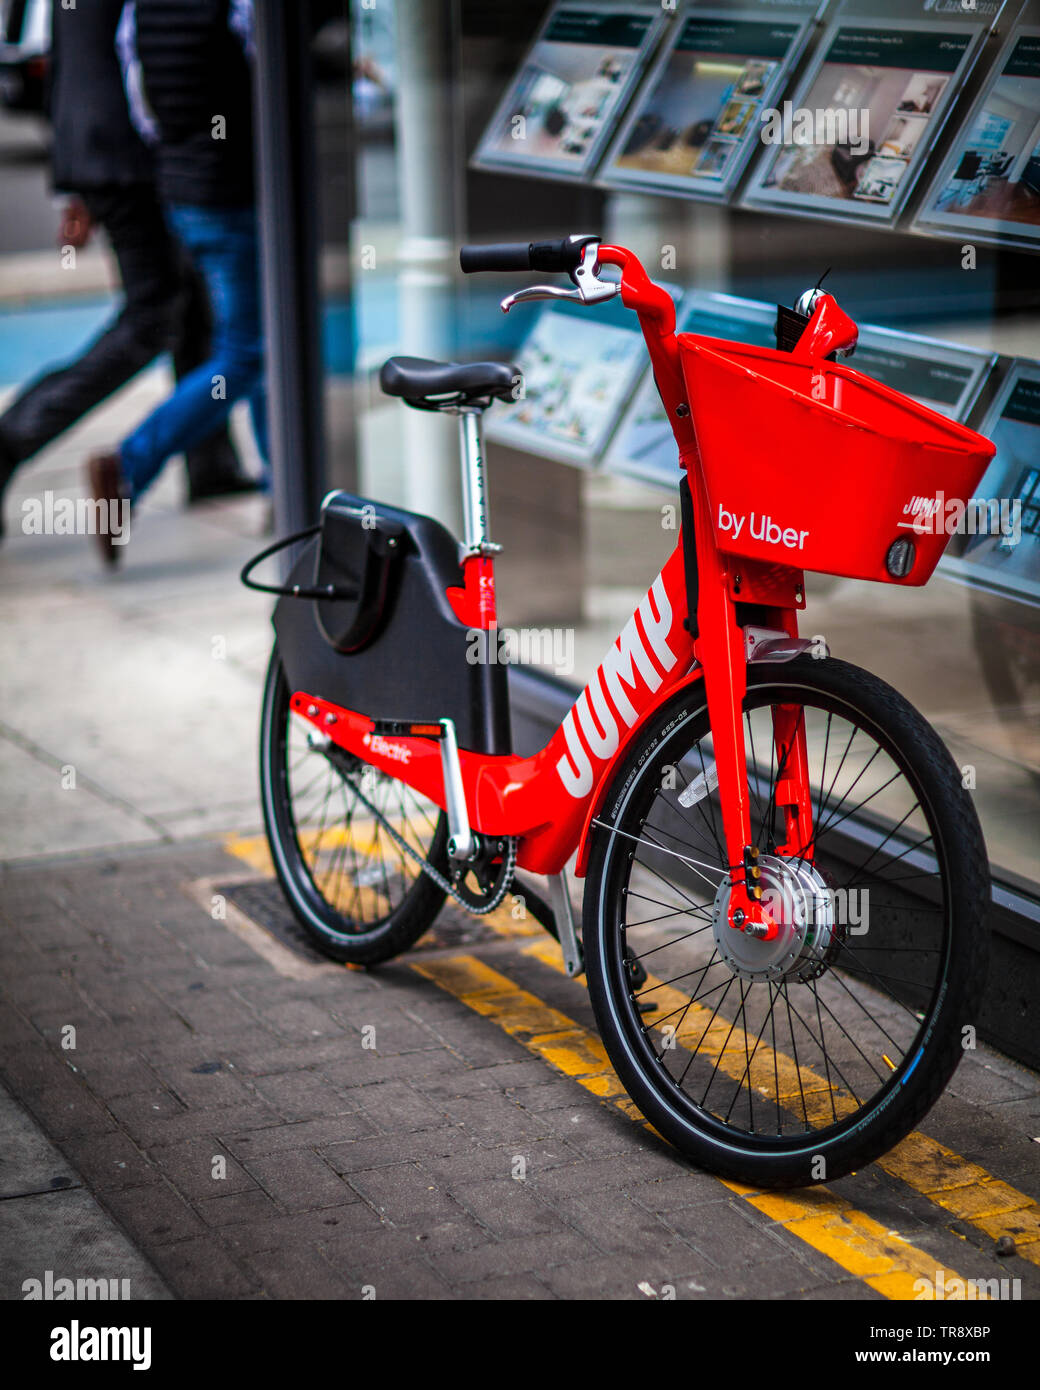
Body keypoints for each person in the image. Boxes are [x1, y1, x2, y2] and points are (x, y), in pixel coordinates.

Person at [0, 0, 257, 541]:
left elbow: (71, 51)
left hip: (104, 145)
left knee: (190, 305)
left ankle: (209, 461)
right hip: (130, 154)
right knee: (154, 316)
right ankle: (14, 438)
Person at [88, 0, 269, 566]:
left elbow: (144, 107)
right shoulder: (234, 8)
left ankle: (285, 488)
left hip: (185, 190)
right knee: (252, 352)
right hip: (235, 191)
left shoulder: (140, 10)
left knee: (259, 342)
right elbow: (270, 82)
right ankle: (131, 462)